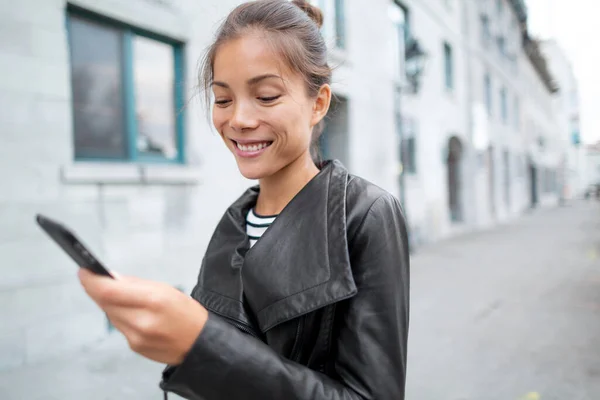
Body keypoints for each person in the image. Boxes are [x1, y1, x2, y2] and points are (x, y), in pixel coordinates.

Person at [78, 0, 411, 398]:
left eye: (266, 96)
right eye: (222, 99)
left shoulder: (364, 214)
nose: (238, 119)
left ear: (318, 104)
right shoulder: (235, 220)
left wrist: (203, 346)